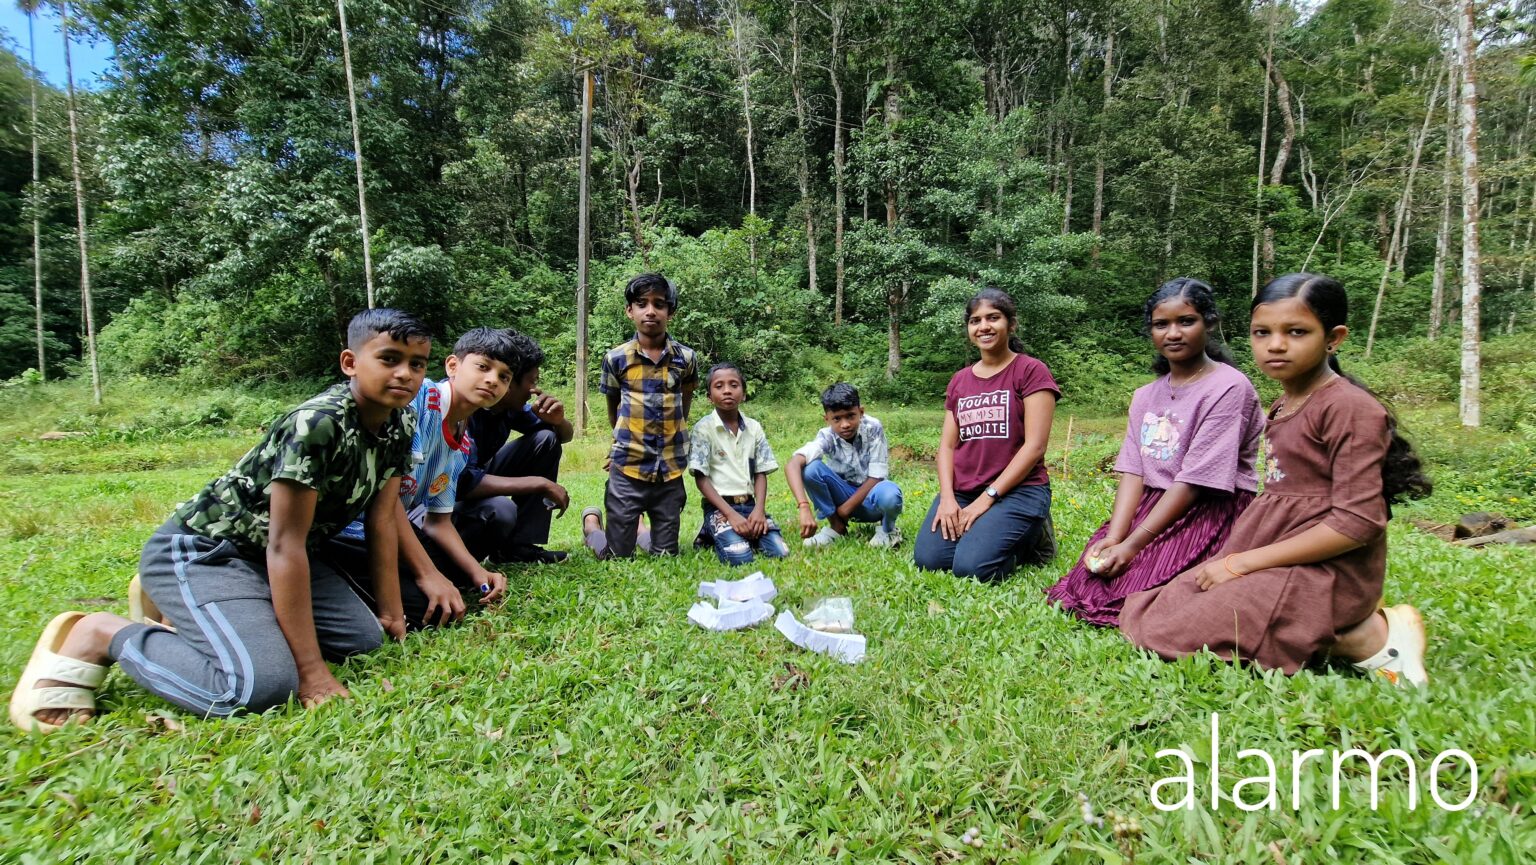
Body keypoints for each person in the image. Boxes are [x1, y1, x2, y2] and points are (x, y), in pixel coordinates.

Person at [9, 309, 429, 732]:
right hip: (209, 551)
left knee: (363, 641)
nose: (404, 374)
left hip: (268, 562)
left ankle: (197, 613)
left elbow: (381, 519)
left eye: (416, 364)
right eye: (389, 359)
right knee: (259, 688)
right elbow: (285, 545)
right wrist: (311, 671)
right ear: (350, 363)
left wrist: (392, 612)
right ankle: (102, 632)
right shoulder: (317, 424)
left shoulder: (402, 420)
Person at [1120, 273, 1434, 686]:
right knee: (1154, 608)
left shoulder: (1348, 407)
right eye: (1262, 333)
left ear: (1333, 338)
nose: (1276, 345)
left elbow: (1358, 522)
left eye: (1297, 332)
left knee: (1168, 631)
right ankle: (1345, 632)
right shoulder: (1287, 400)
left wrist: (1242, 562)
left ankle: (1370, 637)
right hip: (1277, 549)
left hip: (1329, 570)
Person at [1045, 279, 1263, 627]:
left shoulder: (1229, 387)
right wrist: (1115, 536)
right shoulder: (1145, 395)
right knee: (1090, 582)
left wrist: (1133, 545)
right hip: (1151, 505)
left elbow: (1195, 481)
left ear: (1208, 323)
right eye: (1162, 324)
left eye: (1186, 321)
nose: (1173, 333)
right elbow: (1134, 469)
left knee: (1140, 595)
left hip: (1207, 507)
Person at [322, 327, 515, 630]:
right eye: (483, 367)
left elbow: (438, 521)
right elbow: (383, 503)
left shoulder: (464, 444)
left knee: (452, 581)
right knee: (427, 608)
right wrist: (428, 574)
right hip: (349, 529)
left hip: (394, 529)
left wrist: (478, 573)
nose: (492, 380)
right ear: (453, 366)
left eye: (504, 377)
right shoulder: (416, 401)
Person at [913, 288, 1060, 582]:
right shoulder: (960, 380)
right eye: (975, 320)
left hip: (1019, 490)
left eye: (993, 318)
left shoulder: (1031, 370)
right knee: (930, 560)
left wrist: (987, 499)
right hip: (964, 490)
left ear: (1011, 324)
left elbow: (1035, 447)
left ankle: (1034, 538)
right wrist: (946, 499)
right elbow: (947, 446)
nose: (984, 327)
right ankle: (991, 530)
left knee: (972, 568)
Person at [583, 273, 699, 559]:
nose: (650, 311)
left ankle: (639, 529)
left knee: (665, 555)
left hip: (669, 468)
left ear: (669, 312)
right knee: (616, 555)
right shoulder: (616, 359)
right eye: (641, 303)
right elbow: (614, 407)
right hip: (628, 465)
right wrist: (620, 443)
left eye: (659, 304)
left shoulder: (686, 358)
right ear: (629, 311)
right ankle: (591, 523)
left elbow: (684, 404)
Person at [454, 329, 574, 565]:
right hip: (441, 493)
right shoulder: (459, 407)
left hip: (473, 474)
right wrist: (540, 483)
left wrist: (558, 421)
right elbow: (461, 483)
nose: (534, 390)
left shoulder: (507, 407)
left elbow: (564, 436)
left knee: (546, 438)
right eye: (532, 381)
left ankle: (519, 546)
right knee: (500, 508)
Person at [687, 363, 790, 565]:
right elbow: (701, 479)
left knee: (780, 552)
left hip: (750, 505)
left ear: (743, 393)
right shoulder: (703, 429)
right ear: (709, 396)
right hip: (720, 508)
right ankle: (710, 529)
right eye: (719, 386)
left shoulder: (754, 427)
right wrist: (731, 515)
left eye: (734, 385)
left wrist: (759, 511)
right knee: (740, 557)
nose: (727, 390)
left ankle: (736, 530)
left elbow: (761, 472)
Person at [785, 382, 905, 549]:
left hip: (872, 499)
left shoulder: (873, 428)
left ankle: (888, 530)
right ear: (827, 419)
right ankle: (837, 527)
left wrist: (845, 510)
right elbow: (792, 465)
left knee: (891, 493)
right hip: (843, 496)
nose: (845, 424)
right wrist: (803, 507)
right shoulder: (826, 436)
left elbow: (876, 477)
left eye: (850, 416)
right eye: (837, 418)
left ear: (861, 412)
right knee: (810, 470)